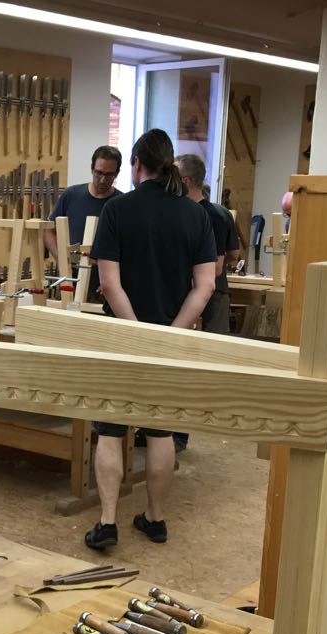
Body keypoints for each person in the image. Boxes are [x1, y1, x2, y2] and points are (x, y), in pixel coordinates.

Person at [83, 129, 216, 551]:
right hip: (167, 342)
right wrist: (168, 335)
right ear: (169, 164)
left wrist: (135, 332)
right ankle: (155, 518)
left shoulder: (117, 209)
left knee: (110, 429)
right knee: (160, 432)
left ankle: (107, 522)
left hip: (121, 337)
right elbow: (205, 286)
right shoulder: (195, 214)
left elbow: (109, 284)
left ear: (137, 164)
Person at [43, 146, 122, 295]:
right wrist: (62, 259)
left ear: (117, 174)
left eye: (109, 175)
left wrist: (113, 279)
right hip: (70, 280)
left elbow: (129, 247)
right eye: (99, 173)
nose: (103, 180)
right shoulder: (71, 195)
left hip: (104, 286)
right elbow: (48, 231)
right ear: (92, 169)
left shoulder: (121, 204)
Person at [177, 154, 241, 335]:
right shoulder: (215, 212)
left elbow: (216, 267)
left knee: (211, 345)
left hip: (212, 297)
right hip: (197, 291)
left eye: (173, 177)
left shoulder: (211, 215)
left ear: (186, 181)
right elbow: (233, 254)